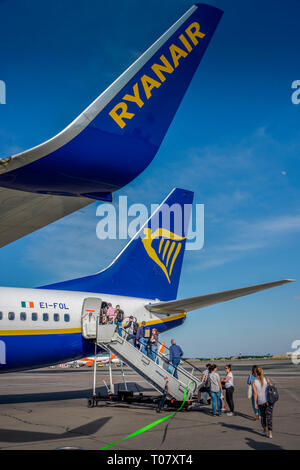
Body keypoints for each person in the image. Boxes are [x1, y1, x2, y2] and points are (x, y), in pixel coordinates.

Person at [253, 367, 274, 439]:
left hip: (260, 402)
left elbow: (255, 394)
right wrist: (269, 383)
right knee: (269, 417)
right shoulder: (266, 379)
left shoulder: (254, 382)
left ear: (256, 373)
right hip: (268, 401)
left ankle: (265, 431)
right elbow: (271, 388)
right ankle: (270, 433)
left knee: (263, 417)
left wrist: (255, 403)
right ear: (262, 372)